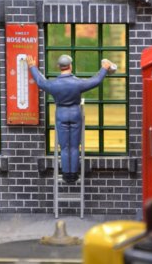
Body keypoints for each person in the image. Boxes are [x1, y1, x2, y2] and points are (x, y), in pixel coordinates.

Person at [27, 54, 112, 184]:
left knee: (64, 147)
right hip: (75, 114)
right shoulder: (77, 83)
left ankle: (66, 175)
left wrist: (32, 67)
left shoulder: (53, 84)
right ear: (70, 66)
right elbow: (95, 81)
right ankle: (74, 174)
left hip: (61, 114)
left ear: (58, 67)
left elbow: (40, 82)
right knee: (74, 146)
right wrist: (104, 68)